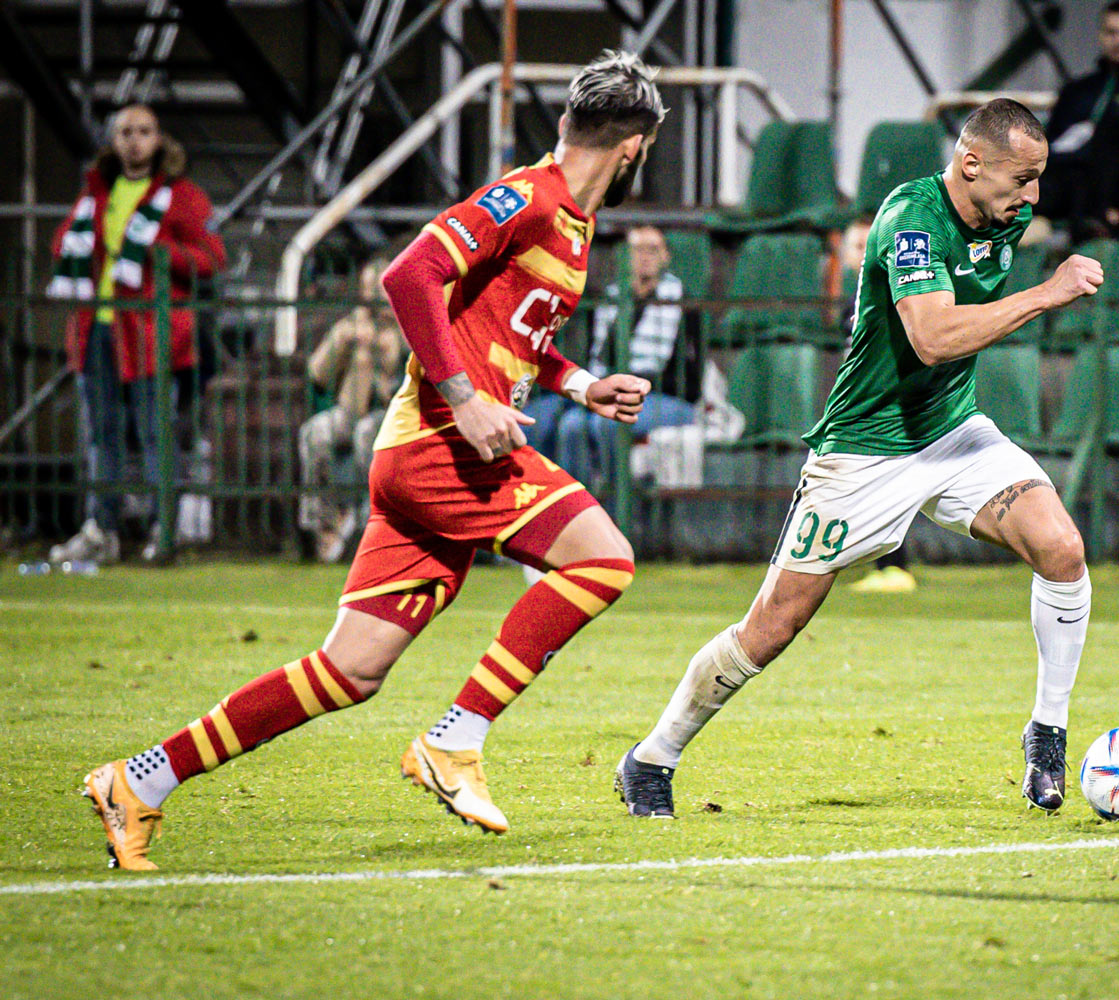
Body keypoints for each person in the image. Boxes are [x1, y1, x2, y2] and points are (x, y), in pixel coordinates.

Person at [82, 51, 666, 870]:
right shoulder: (528, 196)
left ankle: (139, 782)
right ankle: (454, 741)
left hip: (428, 454)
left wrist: (578, 383)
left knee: (349, 670)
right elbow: (409, 274)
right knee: (603, 560)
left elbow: (510, 329)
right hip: (441, 448)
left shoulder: (571, 219)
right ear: (636, 146)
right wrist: (464, 398)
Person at [616, 99, 1105, 819]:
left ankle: (1048, 735)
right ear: (971, 164)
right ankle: (651, 758)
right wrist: (1047, 292)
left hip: (952, 432)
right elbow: (934, 339)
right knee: (771, 627)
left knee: (1062, 548)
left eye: (1038, 181)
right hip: (865, 449)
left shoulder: (1004, 215)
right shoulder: (910, 218)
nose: (1032, 197)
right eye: (1022, 179)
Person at [47, 103, 225, 565]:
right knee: (101, 436)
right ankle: (101, 529)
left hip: (152, 335)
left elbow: (211, 258)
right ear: (113, 141)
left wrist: (162, 252)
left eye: (144, 131)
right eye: (125, 131)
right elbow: (62, 244)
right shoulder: (95, 194)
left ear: (160, 140)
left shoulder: (182, 196)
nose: (134, 140)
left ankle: (161, 531)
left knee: (155, 434)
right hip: (96, 331)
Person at [530, 225, 700, 486]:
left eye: (653, 250)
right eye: (637, 250)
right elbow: (597, 357)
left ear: (666, 256)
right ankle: (578, 503)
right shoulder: (611, 298)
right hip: (614, 390)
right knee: (571, 426)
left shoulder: (682, 301)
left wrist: (639, 385)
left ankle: (615, 510)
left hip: (664, 396)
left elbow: (690, 374)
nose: (645, 257)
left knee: (606, 425)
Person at [1035, 1, 1119, 238]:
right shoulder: (1077, 91)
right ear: (1100, 36)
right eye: (1111, 32)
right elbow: (1050, 143)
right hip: (1064, 182)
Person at [298, 259, 405, 563]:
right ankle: (321, 525)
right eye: (372, 289)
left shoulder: (407, 325)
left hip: (391, 415)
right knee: (315, 431)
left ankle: (365, 526)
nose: (378, 298)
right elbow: (317, 375)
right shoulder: (351, 327)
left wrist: (388, 351)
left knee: (366, 433)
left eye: (383, 289)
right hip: (352, 410)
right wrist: (342, 341)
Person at [837, 218, 918, 595]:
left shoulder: (890, 290)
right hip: (867, 402)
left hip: (892, 402)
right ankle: (882, 564)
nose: (865, 252)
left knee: (890, 483)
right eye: (857, 245)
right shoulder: (852, 296)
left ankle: (896, 567)